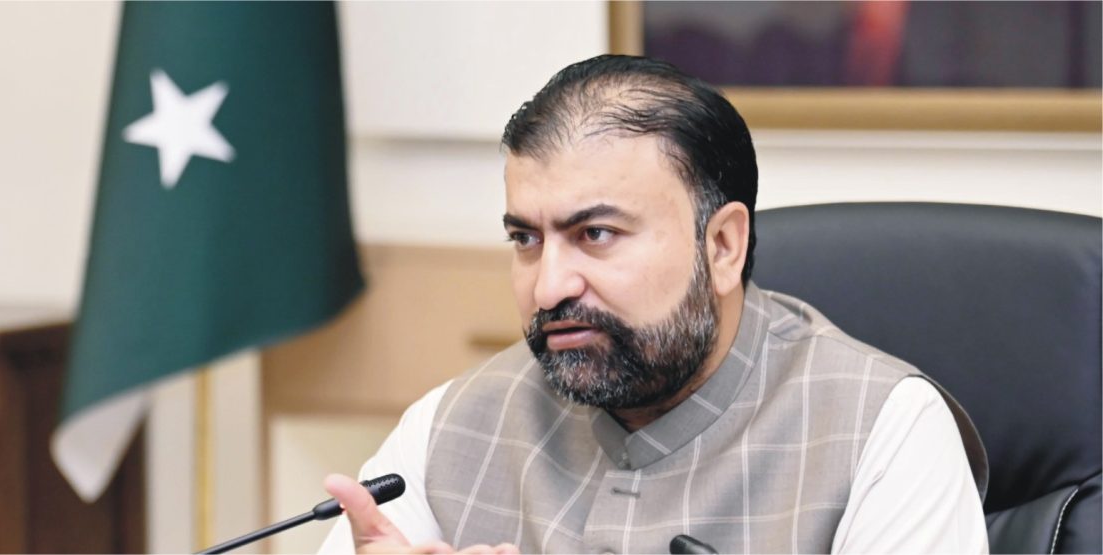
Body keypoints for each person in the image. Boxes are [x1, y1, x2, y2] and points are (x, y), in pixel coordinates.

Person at [319, 55, 988, 554]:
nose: (548, 288)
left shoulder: (884, 431)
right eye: (525, 239)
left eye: (595, 234)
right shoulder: (449, 425)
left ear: (722, 246)